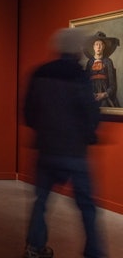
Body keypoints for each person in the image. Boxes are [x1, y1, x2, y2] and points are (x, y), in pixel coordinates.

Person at [23, 28, 103, 258]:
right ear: (77, 49)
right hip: (75, 151)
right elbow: (90, 113)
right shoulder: (80, 75)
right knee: (86, 205)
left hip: (47, 148)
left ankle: (34, 247)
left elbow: (28, 113)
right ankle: (94, 252)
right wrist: (89, 135)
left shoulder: (39, 73)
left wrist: (44, 130)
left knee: (41, 202)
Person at [84, 31, 120, 107]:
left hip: (106, 96)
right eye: (96, 44)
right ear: (93, 47)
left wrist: (104, 94)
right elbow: (86, 82)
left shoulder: (108, 62)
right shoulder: (90, 63)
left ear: (104, 47)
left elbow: (113, 85)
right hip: (91, 95)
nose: (98, 47)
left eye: (101, 44)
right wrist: (91, 94)